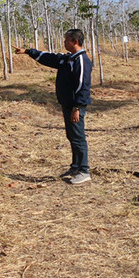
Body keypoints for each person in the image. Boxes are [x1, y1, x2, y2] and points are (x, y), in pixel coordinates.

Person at [14, 29, 93, 185]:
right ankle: (75, 167)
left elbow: (83, 86)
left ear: (75, 41)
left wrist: (77, 107)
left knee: (78, 138)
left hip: (74, 107)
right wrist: (28, 52)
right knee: (72, 137)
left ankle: (84, 170)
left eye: (66, 40)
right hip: (67, 104)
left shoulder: (81, 61)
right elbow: (50, 58)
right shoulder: (69, 58)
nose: (64, 42)